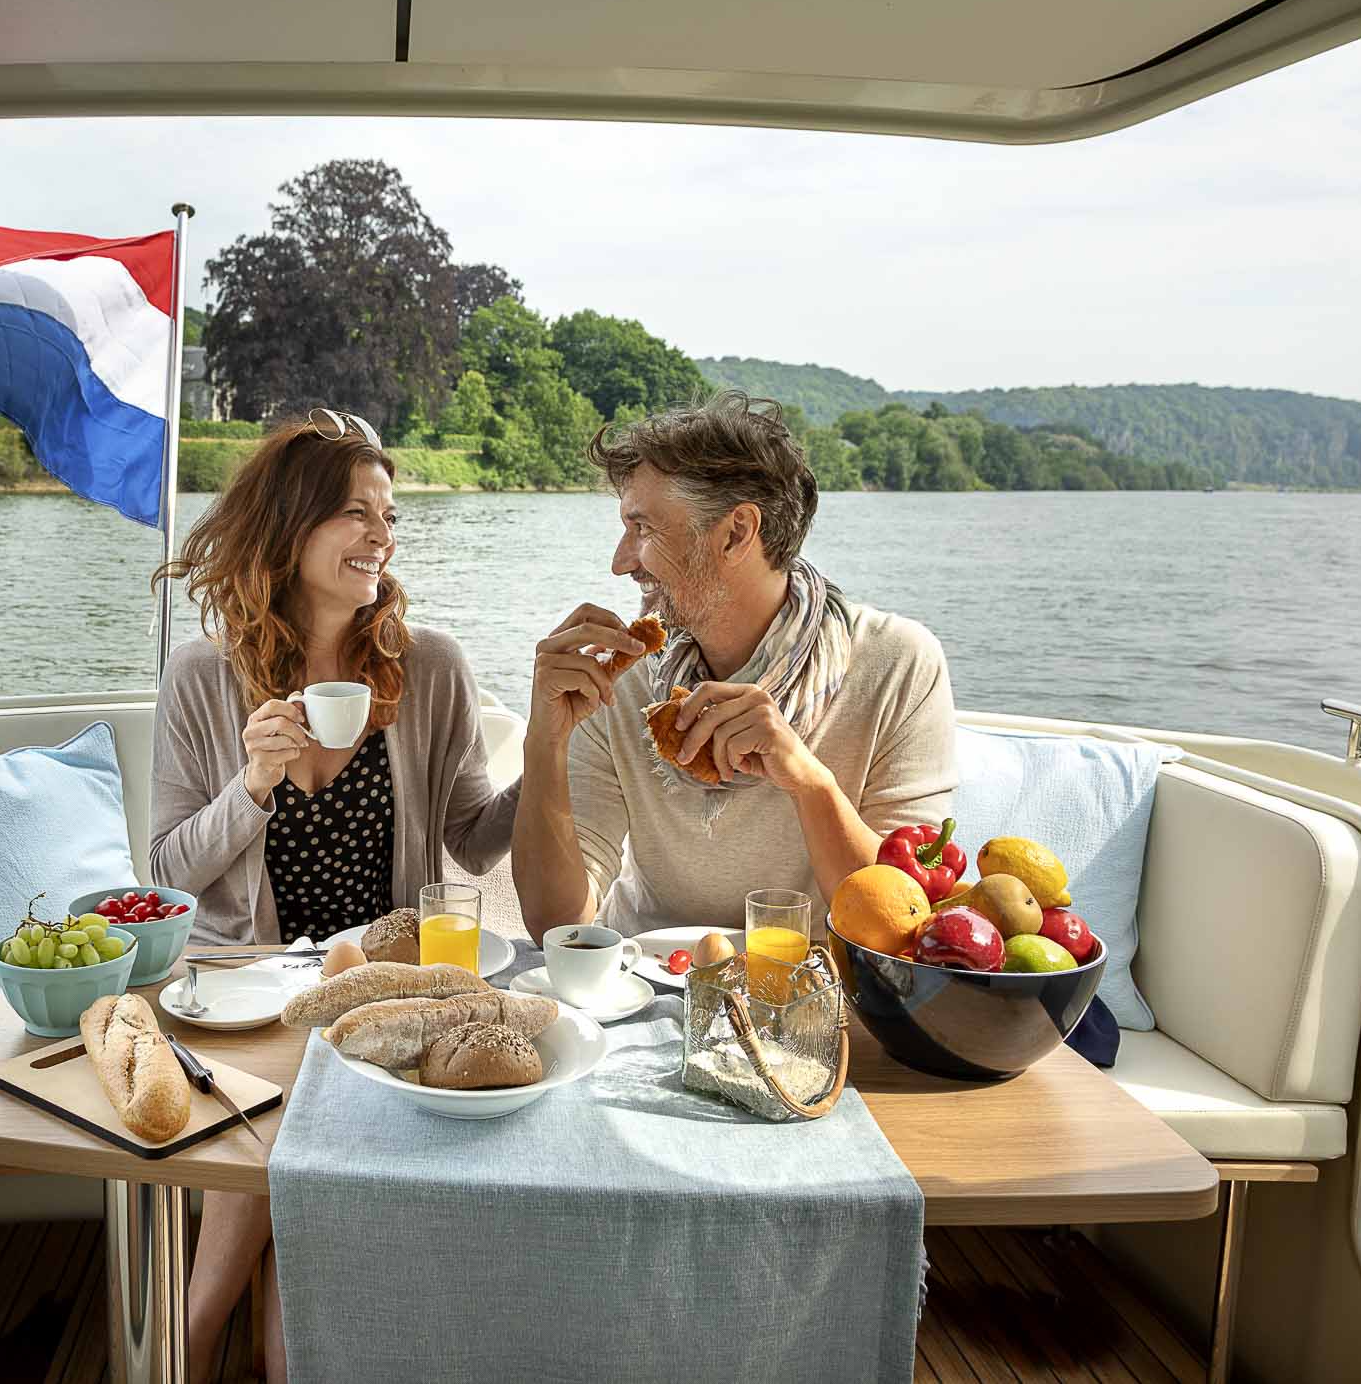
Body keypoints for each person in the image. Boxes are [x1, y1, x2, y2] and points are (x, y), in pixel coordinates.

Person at [148, 407, 519, 1383]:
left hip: (377, 991)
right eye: (356, 512)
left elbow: (474, 835)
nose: (381, 536)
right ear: (290, 524)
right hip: (245, 992)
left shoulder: (427, 666)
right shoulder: (201, 677)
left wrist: (562, 752)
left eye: (388, 516)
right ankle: (205, 1340)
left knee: (294, 1126)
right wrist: (252, 787)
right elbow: (167, 873)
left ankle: (196, 1347)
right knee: (282, 1113)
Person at [513, 391, 956, 941]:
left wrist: (808, 782)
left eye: (643, 529)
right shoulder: (616, 679)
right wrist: (545, 739)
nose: (620, 562)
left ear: (736, 533)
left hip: (809, 983)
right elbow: (558, 923)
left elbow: (905, 927)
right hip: (638, 978)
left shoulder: (897, 664)